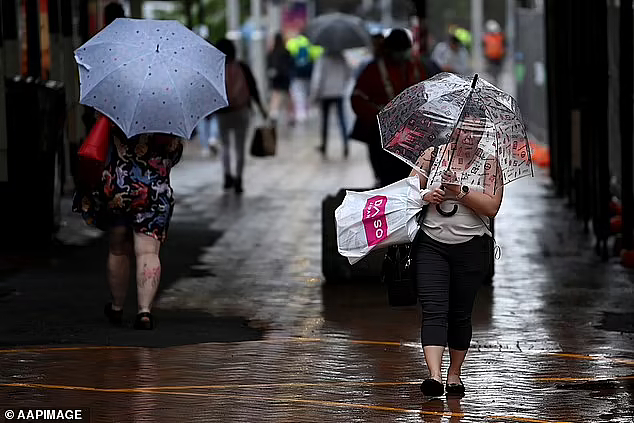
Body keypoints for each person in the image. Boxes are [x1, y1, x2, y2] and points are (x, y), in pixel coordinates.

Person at [410, 104, 502, 397]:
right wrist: (427, 194)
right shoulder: (432, 156)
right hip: (431, 246)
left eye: (477, 131)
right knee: (434, 310)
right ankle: (434, 376)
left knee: (460, 314)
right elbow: (408, 190)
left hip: (471, 248)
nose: (470, 137)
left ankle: (454, 374)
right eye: (466, 129)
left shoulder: (490, 163)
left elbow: (492, 207)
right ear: (455, 126)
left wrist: (459, 191)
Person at [73, 125, 183, 330]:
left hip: (118, 188)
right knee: (149, 252)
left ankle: (117, 307)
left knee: (118, 249)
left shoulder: (116, 106)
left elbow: (99, 143)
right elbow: (174, 156)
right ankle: (144, 312)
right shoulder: (167, 116)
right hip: (154, 192)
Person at [351, 28, 426, 187]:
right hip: (382, 136)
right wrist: (378, 116)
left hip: (413, 136)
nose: (401, 55)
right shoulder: (374, 70)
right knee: (387, 180)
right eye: (397, 50)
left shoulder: (417, 67)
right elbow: (357, 98)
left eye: (403, 50)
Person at [214, 38, 267, 194]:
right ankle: (239, 179)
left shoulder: (216, 69)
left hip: (223, 113)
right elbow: (253, 87)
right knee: (239, 147)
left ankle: (227, 176)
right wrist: (261, 108)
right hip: (241, 112)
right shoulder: (242, 67)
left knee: (225, 146)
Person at [310, 50, 352, 158]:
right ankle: (346, 144)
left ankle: (324, 145)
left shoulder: (322, 59)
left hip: (325, 94)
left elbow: (317, 78)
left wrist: (314, 95)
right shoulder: (342, 58)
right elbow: (348, 74)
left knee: (325, 121)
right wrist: (342, 85)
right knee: (342, 120)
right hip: (339, 93)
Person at [267, 33, 295, 126]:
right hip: (285, 77)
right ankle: (291, 116)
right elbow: (291, 64)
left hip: (276, 78)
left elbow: (269, 65)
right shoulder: (286, 51)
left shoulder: (272, 52)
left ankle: (274, 114)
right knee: (288, 97)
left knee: (276, 96)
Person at [483, 20, 506, 85]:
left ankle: (495, 81)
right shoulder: (488, 37)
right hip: (491, 58)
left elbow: (503, 47)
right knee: (492, 72)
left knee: (496, 72)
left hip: (498, 58)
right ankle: (494, 81)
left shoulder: (500, 37)